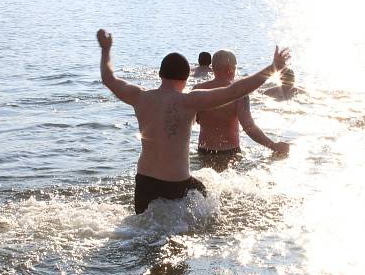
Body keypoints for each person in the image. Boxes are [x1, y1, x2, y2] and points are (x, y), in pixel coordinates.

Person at [96, 29, 290, 214]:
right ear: (186, 77)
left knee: (143, 236)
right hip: (176, 184)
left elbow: (108, 78)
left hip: (144, 182)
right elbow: (235, 91)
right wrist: (273, 68)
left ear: (160, 74)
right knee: (210, 210)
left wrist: (106, 49)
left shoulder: (140, 97)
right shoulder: (189, 101)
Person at [193, 50, 290, 171]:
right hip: (229, 153)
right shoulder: (239, 95)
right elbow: (249, 127)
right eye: (235, 67)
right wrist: (273, 146)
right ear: (230, 69)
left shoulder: (197, 90)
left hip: (203, 151)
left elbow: (195, 120)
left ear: (213, 68)